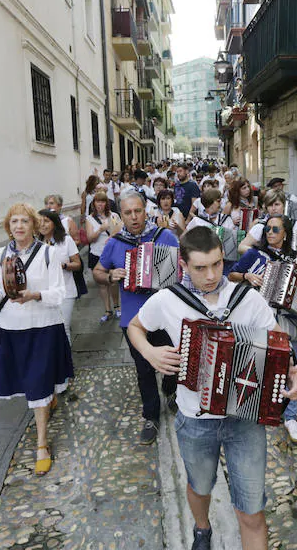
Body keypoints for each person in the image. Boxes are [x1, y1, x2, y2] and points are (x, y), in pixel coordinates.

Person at [128, 227, 297, 550]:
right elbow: (136, 327)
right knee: (200, 486)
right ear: (183, 264)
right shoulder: (167, 300)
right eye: (200, 268)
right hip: (194, 418)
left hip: (245, 419)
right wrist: (150, 352)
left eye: (217, 264)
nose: (210, 275)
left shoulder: (246, 298)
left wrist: (291, 372)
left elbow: (279, 342)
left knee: (252, 511)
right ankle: (202, 527)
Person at [0, 203, 74, 476]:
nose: (19, 226)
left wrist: (34, 295)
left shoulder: (49, 253)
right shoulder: (0, 255)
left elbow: (59, 293)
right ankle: (47, 401)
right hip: (13, 328)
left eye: (24, 221)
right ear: (8, 227)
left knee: (36, 387)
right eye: (14, 222)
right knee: (34, 385)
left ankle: (42, 445)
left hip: (44, 327)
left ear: (34, 225)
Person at [92, 190, 179, 445]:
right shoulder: (114, 243)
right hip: (132, 319)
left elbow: (182, 271)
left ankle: (172, 391)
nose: (133, 217)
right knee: (144, 369)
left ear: (145, 211)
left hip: (165, 315)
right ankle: (151, 415)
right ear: (122, 215)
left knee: (172, 359)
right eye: (128, 212)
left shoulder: (165, 238)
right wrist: (110, 277)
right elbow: (98, 271)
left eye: (137, 211)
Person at [228, 215, 297, 443]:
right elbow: (230, 276)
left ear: (286, 233)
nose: (270, 232)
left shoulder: (296, 258)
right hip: (260, 318)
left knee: (292, 366)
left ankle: (290, 417)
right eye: (267, 229)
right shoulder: (254, 254)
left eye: (275, 229)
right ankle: (255, 408)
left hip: (287, 319)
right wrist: (246, 275)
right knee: (256, 363)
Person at [37, 209, 82, 333]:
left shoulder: (66, 240)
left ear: (54, 223)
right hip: (44, 293)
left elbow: (77, 264)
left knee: (64, 327)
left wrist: (63, 266)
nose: (42, 224)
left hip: (65, 291)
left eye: (46, 221)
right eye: (39, 221)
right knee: (49, 330)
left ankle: (66, 353)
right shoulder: (36, 244)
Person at [85, 192, 122, 323]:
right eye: (97, 201)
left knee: (113, 282)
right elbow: (89, 238)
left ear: (107, 203)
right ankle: (107, 310)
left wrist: (112, 234)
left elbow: (121, 231)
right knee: (101, 284)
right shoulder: (90, 219)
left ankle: (117, 306)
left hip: (112, 253)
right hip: (97, 253)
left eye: (102, 201)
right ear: (93, 203)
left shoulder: (114, 215)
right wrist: (101, 229)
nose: (100, 204)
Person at [238, 189, 297, 255]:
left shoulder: (294, 225)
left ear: (284, 206)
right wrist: (260, 254)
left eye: (277, 204)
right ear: (266, 207)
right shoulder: (261, 226)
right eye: (270, 205)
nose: (273, 208)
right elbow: (241, 247)